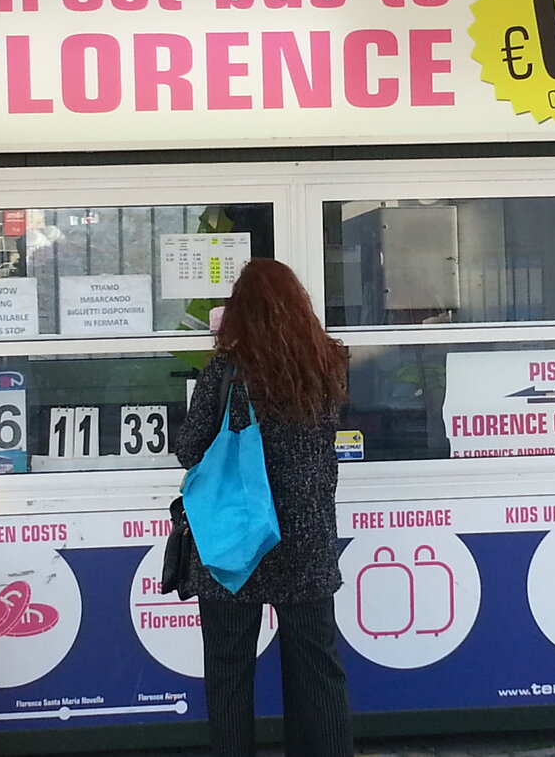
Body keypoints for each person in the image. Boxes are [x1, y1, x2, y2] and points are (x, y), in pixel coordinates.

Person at [175, 258, 353, 757]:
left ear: (240, 311)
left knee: (229, 668)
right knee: (317, 668)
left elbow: (190, 449)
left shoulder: (227, 371)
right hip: (306, 538)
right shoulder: (328, 363)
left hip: (235, 537)